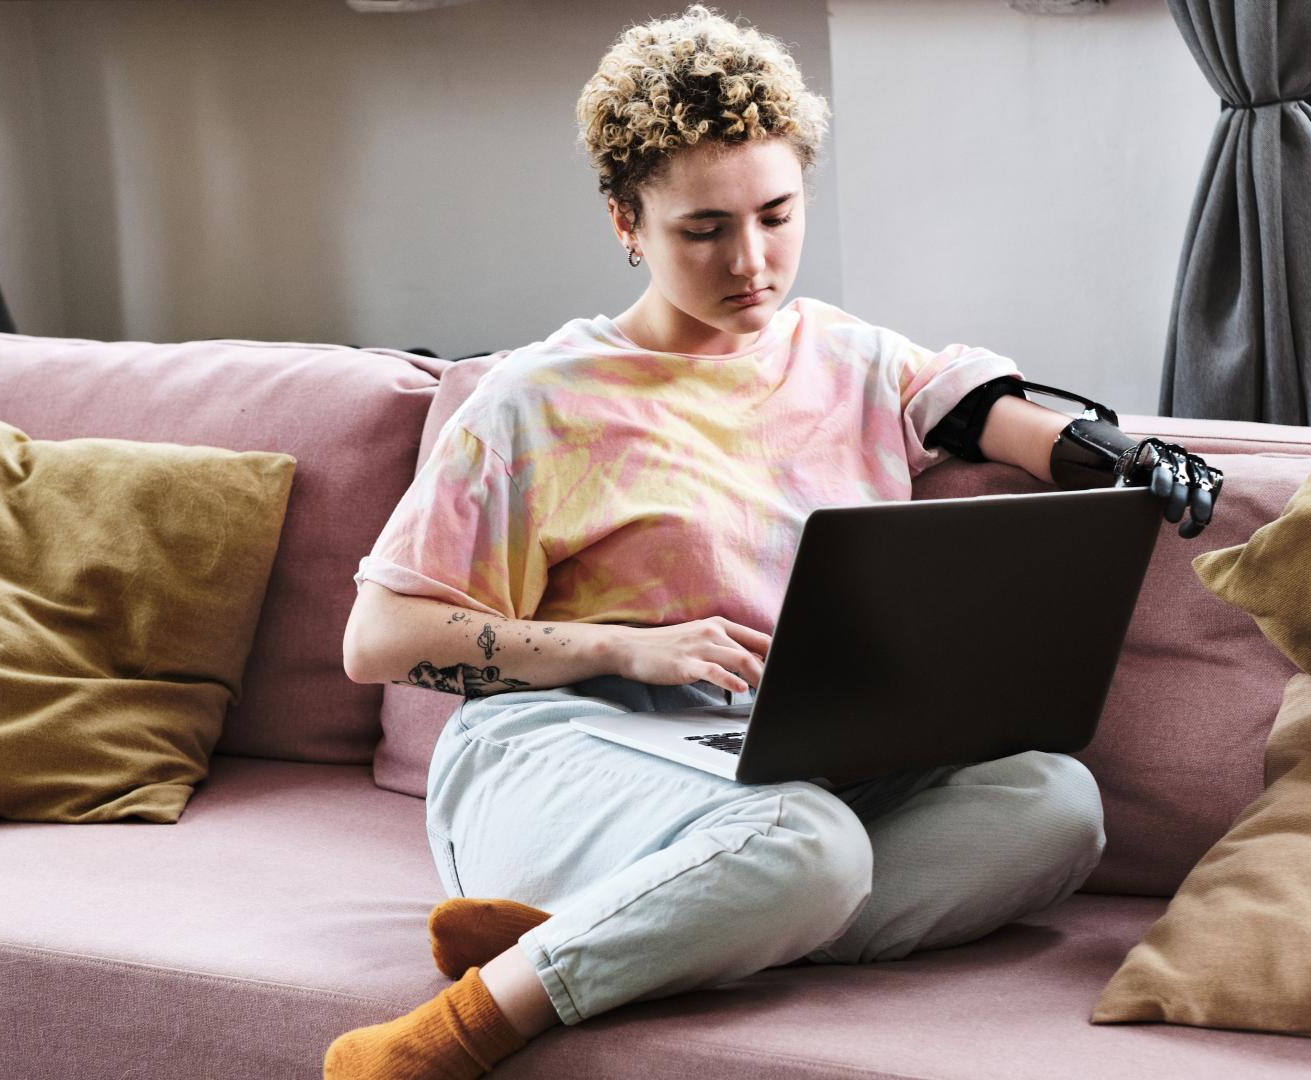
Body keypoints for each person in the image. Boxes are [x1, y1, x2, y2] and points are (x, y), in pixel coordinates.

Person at [325, 6, 1222, 1077]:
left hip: (787, 759)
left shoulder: (844, 356)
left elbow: (975, 410)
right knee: (809, 844)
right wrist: (625, 648)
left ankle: (627, 936)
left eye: (777, 215)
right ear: (625, 221)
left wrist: (1116, 457)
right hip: (557, 759)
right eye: (703, 229)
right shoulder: (536, 403)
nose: (751, 261)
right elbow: (378, 639)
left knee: (1053, 807)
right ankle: (471, 1022)